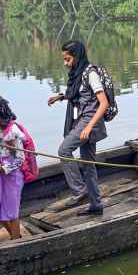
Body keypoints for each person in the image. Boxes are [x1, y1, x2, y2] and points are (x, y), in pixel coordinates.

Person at [47, 40, 109, 216]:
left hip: (89, 121)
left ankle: (80, 190)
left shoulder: (91, 74)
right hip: (83, 120)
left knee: (64, 150)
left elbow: (103, 103)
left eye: (68, 59)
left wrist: (89, 127)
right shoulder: (78, 73)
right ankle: (96, 205)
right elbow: (79, 94)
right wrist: (61, 97)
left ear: (77, 56)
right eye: (64, 60)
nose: (65, 64)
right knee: (88, 166)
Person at [0, 93, 37, 240]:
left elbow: (20, 159)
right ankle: (16, 236)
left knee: (11, 210)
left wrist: (3, 168)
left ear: (2, 112)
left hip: (13, 176)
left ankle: (15, 240)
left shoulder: (13, 133)